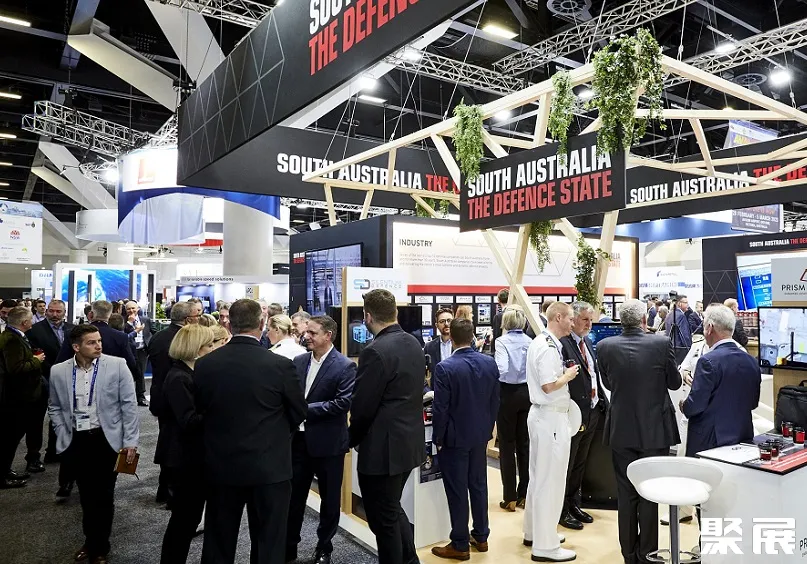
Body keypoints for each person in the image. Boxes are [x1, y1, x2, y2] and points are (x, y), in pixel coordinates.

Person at [194, 299, 307, 564]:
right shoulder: (280, 366)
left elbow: (201, 410)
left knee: (218, 540)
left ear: (229, 324)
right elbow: (299, 411)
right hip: (270, 467)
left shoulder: (206, 364)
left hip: (222, 465)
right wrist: (276, 434)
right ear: (262, 323)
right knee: (269, 541)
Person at [596, 299, 681, 564]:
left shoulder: (604, 346)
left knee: (626, 494)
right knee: (650, 494)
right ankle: (648, 555)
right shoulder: (661, 343)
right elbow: (674, 382)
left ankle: (629, 555)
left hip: (621, 429)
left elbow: (609, 383)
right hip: (655, 430)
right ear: (644, 319)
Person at [49, 324, 139, 564]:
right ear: (76, 347)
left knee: (104, 495)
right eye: (91, 342)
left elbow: (129, 406)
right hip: (76, 440)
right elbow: (54, 406)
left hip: (106, 439)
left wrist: (130, 442)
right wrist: (61, 431)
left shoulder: (117, 365)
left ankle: (100, 547)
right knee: (87, 495)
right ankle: (91, 541)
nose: (99, 345)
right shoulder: (58, 371)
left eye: (99, 341)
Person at [349, 289, 425, 564]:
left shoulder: (374, 351)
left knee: (383, 519)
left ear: (368, 317)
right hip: (408, 444)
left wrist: (349, 439)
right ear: (395, 312)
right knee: (391, 510)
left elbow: (363, 407)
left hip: (382, 450)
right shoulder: (413, 343)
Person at [287, 315, 356, 564]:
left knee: (329, 501)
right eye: (307, 332)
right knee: (294, 499)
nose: (306, 336)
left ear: (328, 335)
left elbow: (342, 403)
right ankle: (289, 546)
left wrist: (303, 410)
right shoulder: (299, 361)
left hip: (328, 445)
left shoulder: (345, 366)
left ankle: (324, 548)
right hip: (298, 442)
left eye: (313, 333)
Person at [430, 318, 499, 560]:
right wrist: (488, 430)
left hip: (454, 439)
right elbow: (494, 401)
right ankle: (481, 536)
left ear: (452, 337)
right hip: (479, 436)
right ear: (472, 337)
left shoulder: (445, 368)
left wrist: (438, 438)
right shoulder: (489, 363)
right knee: (478, 485)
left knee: (457, 490)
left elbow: (441, 408)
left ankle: (460, 544)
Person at [522, 301, 579, 562]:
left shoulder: (544, 343)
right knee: (551, 482)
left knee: (539, 478)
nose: (572, 323)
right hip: (550, 419)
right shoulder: (547, 347)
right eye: (570, 318)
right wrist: (567, 376)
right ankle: (545, 546)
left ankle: (535, 532)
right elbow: (548, 385)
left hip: (544, 418)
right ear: (558, 317)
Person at [158, 325, 215, 564]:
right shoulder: (179, 377)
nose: (213, 349)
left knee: (188, 518)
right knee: (184, 520)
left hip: (191, 456)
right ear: (196, 348)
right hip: (185, 459)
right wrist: (217, 409)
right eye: (209, 345)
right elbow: (188, 420)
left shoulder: (188, 373)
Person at [682, 304, 761, 456]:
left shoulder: (707, 361)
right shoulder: (751, 361)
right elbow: (753, 403)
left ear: (709, 328)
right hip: (742, 437)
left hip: (709, 442)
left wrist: (684, 405)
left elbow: (695, 406)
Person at [559, 301, 609, 531]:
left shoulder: (586, 341)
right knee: (568, 464)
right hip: (573, 414)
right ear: (573, 320)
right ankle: (561, 509)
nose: (589, 324)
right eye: (585, 320)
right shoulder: (563, 344)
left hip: (591, 411)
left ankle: (573, 504)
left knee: (580, 463)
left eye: (591, 319)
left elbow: (593, 375)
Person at [149, 301, 195, 506]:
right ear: (187, 319)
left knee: (167, 440)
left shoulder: (158, 336)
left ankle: (164, 489)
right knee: (176, 445)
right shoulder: (184, 339)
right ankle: (170, 491)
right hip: (178, 396)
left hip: (160, 397)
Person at [26, 299, 74, 476]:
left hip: (66, 380)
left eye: (58, 311)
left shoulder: (72, 329)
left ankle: (54, 451)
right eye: (51, 311)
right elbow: (33, 355)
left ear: (64, 312)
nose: (54, 314)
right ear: (46, 311)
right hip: (42, 379)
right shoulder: (34, 330)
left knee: (61, 417)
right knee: (36, 420)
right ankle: (33, 457)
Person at [0, 306, 45, 488]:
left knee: (11, 438)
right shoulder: (12, 340)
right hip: (16, 397)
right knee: (10, 438)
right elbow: (16, 368)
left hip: (18, 395)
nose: (32, 322)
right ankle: (2, 476)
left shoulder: (14, 336)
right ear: (25, 322)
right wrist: (36, 360)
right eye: (30, 319)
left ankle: (5, 470)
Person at [493, 306, 532, 512]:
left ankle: (509, 497)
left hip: (507, 394)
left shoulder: (502, 341)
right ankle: (524, 493)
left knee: (507, 446)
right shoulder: (530, 341)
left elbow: (501, 368)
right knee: (524, 444)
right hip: (527, 393)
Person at [56, 301, 138, 382]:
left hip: (79, 382)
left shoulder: (73, 333)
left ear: (91, 314)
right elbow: (131, 366)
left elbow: (61, 362)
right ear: (110, 315)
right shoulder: (121, 337)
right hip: (110, 383)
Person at [124, 300, 152, 407]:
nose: (131, 310)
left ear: (138, 309)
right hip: (129, 351)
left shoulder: (145, 320)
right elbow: (123, 334)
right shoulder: (123, 321)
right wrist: (129, 323)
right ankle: (127, 397)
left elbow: (152, 332)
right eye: (128, 309)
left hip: (142, 350)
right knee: (128, 374)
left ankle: (140, 396)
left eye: (133, 308)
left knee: (140, 374)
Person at [424, 308, 454, 377]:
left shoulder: (462, 344)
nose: (446, 324)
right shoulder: (429, 347)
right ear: (436, 325)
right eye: (442, 321)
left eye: (449, 320)